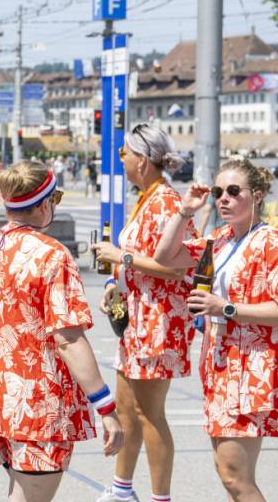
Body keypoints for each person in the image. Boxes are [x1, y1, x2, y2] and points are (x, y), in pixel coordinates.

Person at [0, 161, 123, 502]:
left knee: (21, 489)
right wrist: (105, 406)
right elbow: (68, 338)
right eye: (55, 197)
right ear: (44, 204)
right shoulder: (51, 256)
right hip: (35, 402)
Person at [154, 157, 278, 502]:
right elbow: (166, 257)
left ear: (258, 195)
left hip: (250, 368)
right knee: (232, 477)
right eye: (218, 191)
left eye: (233, 191)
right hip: (220, 365)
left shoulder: (270, 242)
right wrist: (185, 211)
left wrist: (225, 308)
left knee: (234, 477)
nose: (223, 198)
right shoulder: (220, 238)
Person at [91, 125, 195, 502]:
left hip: (160, 320)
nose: (122, 161)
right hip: (137, 317)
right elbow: (142, 263)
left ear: (144, 160)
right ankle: (122, 488)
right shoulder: (148, 198)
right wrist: (114, 284)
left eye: (125, 154)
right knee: (126, 408)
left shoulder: (168, 202)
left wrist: (124, 258)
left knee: (150, 412)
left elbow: (181, 268)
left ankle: (159, 496)